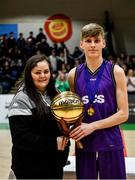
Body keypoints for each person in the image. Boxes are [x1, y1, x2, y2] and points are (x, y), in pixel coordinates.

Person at [68, 23, 129, 179]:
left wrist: (92, 126)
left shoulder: (116, 71)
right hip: (84, 144)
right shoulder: (73, 74)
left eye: (97, 40)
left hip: (110, 143)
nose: (93, 45)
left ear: (104, 43)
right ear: (81, 44)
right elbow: (75, 113)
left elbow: (123, 114)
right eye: (88, 41)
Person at [8, 54, 69, 179]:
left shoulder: (55, 93)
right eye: (37, 72)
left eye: (46, 71)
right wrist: (54, 143)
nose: (43, 76)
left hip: (54, 168)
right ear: (29, 74)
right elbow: (21, 138)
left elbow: (60, 126)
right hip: (29, 171)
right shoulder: (22, 98)